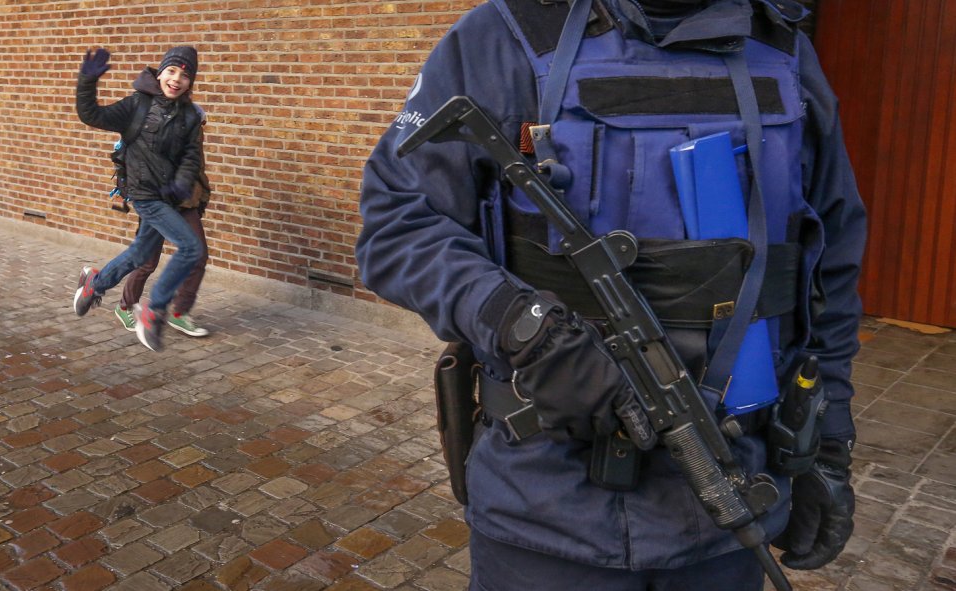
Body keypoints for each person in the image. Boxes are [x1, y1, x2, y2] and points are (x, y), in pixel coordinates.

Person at [356, 1, 866, 589]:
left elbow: (828, 261)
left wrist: (828, 444)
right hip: (546, 508)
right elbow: (399, 225)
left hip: (728, 508)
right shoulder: (509, 32)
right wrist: (523, 326)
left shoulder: (782, 46)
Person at [73, 46, 204, 351]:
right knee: (190, 248)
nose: (177, 79)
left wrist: (182, 184)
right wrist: (87, 81)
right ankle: (153, 311)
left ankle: (95, 283)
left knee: (138, 255)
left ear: (190, 81)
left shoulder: (189, 116)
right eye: (172, 71)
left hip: (167, 197)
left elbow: (191, 157)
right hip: (145, 195)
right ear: (160, 73)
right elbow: (91, 114)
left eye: (185, 75)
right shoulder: (137, 105)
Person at [115, 109, 212, 339]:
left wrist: (201, 195)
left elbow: (198, 166)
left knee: (198, 255)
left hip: (185, 200)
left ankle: (179, 313)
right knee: (147, 262)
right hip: (156, 201)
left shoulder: (195, 120)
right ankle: (125, 306)